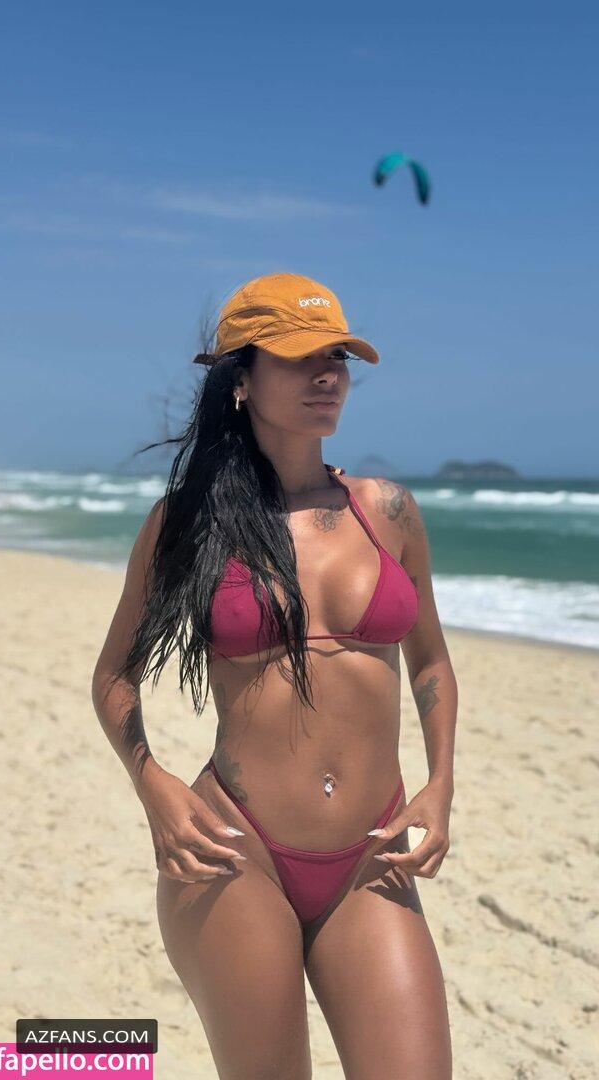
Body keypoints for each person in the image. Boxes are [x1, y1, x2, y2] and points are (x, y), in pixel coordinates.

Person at [91, 271, 457, 1079]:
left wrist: (441, 783)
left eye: (338, 357)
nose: (328, 374)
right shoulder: (187, 523)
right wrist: (152, 784)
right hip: (234, 851)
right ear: (241, 379)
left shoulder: (388, 511)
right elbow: (114, 675)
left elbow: (430, 660)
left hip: (372, 854)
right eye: (300, 356)